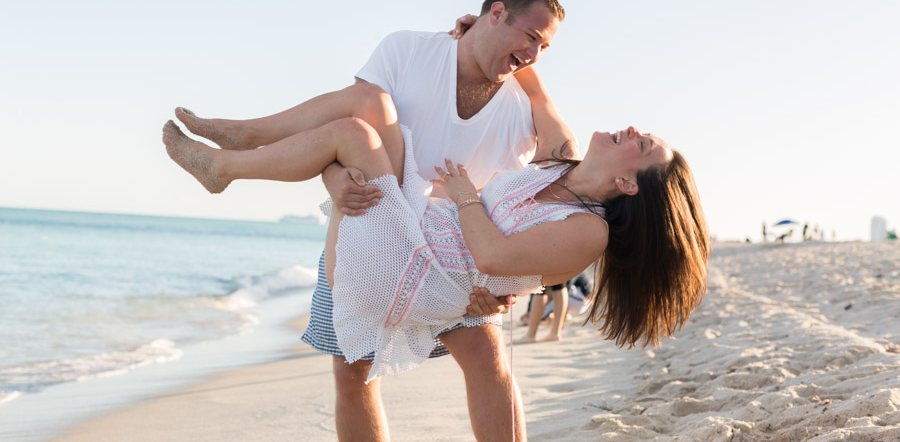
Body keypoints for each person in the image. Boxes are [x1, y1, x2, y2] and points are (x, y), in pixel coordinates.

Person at [168, 0, 571, 442]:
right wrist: (336, 179)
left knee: (488, 357)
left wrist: (507, 286)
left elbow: (530, 200)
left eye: (545, 48)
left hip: (454, 248)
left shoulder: (523, 112)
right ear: (496, 13)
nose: (535, 55)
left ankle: (241, 147)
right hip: (378, 216)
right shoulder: (407, 51)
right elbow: (340, 135)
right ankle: (245, 138)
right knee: (352, 371)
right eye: (532, 39)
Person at [164, 94, 710, 378]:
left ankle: (226, 167)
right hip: (419, 232)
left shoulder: (589, 230)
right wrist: (476, 29)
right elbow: (532, 82)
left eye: (643, 147)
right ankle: (241, 137)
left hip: (414, 274)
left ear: (625, 184)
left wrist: (465, 192)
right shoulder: (556, 165)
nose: (634, 132)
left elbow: (495, 257)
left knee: (354, 136)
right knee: (371, 107)